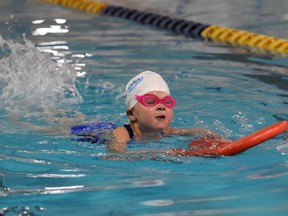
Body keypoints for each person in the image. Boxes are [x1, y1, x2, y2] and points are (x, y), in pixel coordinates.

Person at [108, 70, 224, 153]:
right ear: (132, 114)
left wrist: (211, 135)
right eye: (151, 101)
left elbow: (191, 131)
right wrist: (161, 153)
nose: (161, 107)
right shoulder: (122, 134)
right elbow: (116, 156)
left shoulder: (165, 132)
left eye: (167, 102)